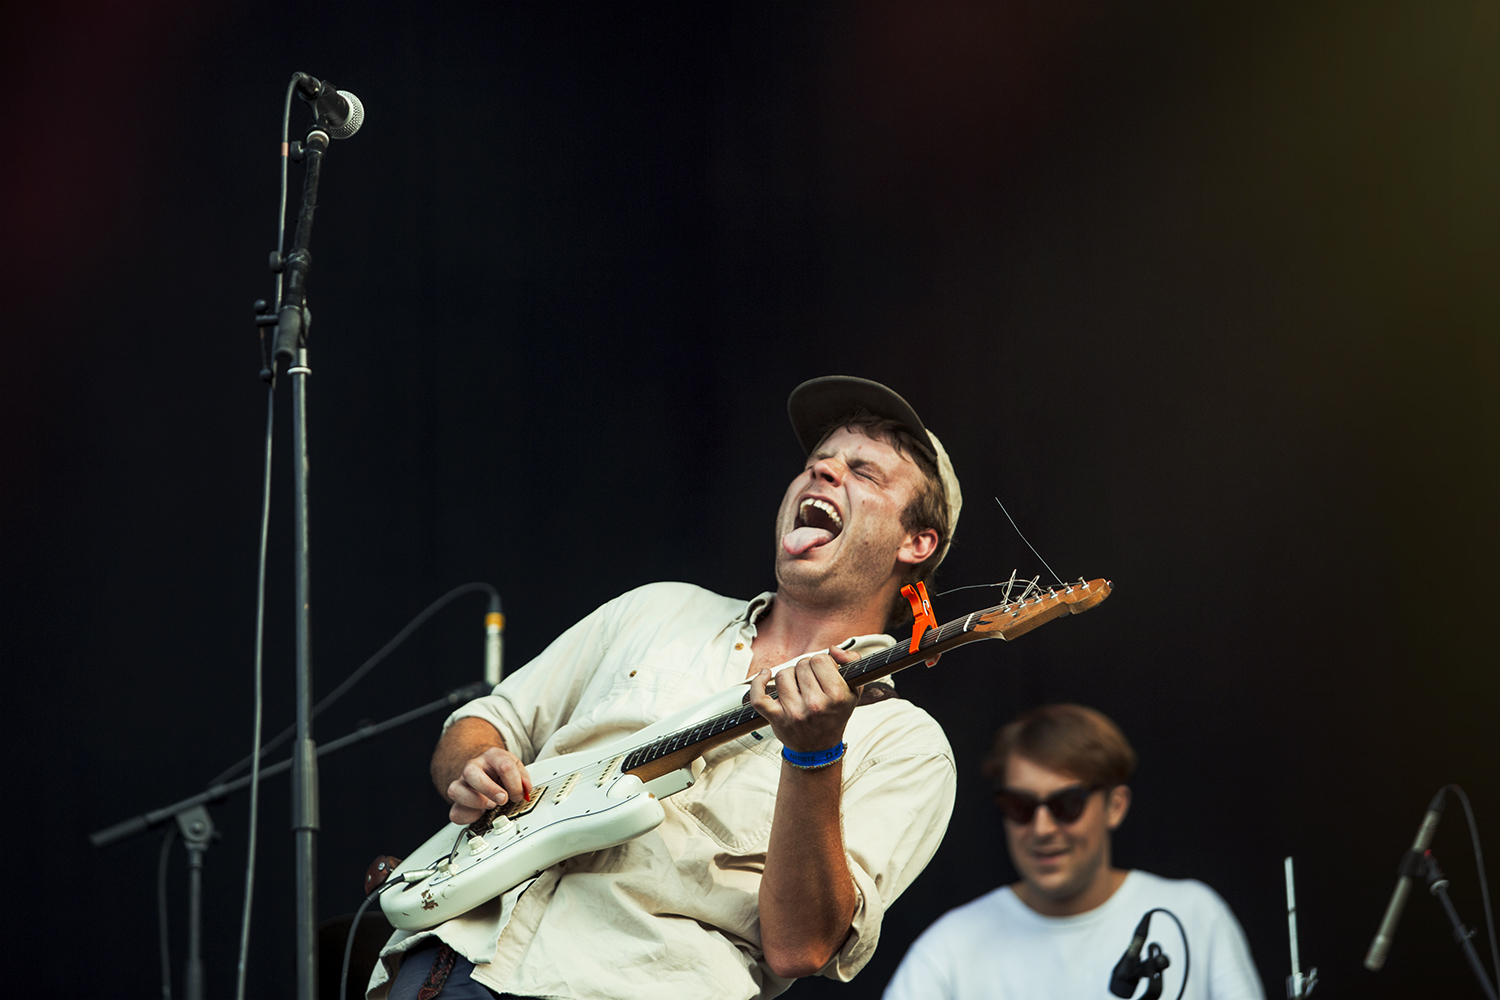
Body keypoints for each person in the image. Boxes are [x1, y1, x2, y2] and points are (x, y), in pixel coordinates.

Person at [369, 376, 964, 1000]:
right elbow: (487, 720)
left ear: (916, 542)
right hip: (460, 953)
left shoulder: (906, 744)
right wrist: (473, 763)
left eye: (863, 472)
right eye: (816, 463)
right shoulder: (659, 610)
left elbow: (799, 947)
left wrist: (813, 756)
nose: (823, 474)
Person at [883, 704, 1264, 1000]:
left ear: (1115, 805)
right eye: (1020, 806)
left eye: (1067, 804)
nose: (1043, 828)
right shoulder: (950, 947)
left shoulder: (1193, 915)